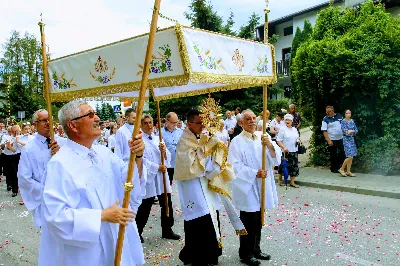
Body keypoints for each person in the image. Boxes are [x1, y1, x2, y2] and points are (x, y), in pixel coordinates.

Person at [38, 100, 146, 266]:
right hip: (87, 251)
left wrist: (137, 157)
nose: (97, 118)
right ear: (73, 125)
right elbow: (55, 217)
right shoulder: (59, 164)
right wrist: (101, 216)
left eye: (95, 113)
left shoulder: (103, 152)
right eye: (90, 115)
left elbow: (128, 181)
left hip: (115, 235)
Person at [228, 110, 280, 266]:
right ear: (241, 123)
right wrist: (254, 173)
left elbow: (275, 159)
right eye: (247, 119)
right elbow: (234, 166)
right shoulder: (237, 141)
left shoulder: (263, 136)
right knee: (248, 221)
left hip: (262, 185)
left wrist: (270, 145)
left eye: (253, 118)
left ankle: (256, 249)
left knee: (258, 220)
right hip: (248, 187)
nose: (251, 121)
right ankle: (245, 253)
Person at [175, 110, 223, 266]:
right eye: (199, 123)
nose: (203, 125)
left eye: (204, 122)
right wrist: (205, 148)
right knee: (199, 222)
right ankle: (198, 258)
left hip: (206, 186)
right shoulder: (184, 141)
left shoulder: (204, 136)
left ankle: (211, 255)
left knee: (211, 218)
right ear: (189, 124)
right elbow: (190, 166)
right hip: (193, 189)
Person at [136, 114, 181, 243]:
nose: (149, 125)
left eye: (150, 122)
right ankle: (137, 231)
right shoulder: (140, 140)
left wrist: (164, 151)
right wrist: (156, 167)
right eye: (145, 123)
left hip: (161, 176)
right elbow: (141, 160)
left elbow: (168, 157)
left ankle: (167, 229)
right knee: (146, 204)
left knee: (167, 203)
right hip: (150, 176)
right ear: (141, 125)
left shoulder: (157, 139)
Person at [18, 109, 64, 225]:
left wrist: (62, 155)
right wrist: (47, 191)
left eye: (50, 120)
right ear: (35, 124)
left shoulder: (64, 143)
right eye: (44, 120)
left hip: (66, 198)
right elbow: (25, 178)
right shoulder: (28, 150)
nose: (48, 123)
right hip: (44, 201)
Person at [276, 114, 300, 188]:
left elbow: (297, 138)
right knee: (283, 166)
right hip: (285, 151)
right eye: (286, 120)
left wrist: (298, 141)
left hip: (294, 150)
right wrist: (283, 147)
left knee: (294, 166)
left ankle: (292, 182)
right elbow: (278, 140)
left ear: (292, 121)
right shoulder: (282, 129)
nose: (287, 121)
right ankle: (280, 181)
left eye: (289, 120)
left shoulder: (294, 129)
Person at [1, 125, 23, 197]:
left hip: (18, 156)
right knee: (9, 172)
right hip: (9, 156)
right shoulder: (7, 137)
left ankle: (15, 189)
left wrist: (17, 141)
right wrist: (7, 146)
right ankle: (11, 186)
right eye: (13, 131)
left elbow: (17, 149)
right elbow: (2, 146)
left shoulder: (21, 137)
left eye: (16, 131)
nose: (14, 132)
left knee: (16, 173)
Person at [321, 106, 345, 173]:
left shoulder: (339, 116)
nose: (327, 113)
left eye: (329, 111)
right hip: (332, 139)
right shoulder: (325, 119)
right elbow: (324, 131)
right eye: (327, 112)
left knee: (342, 153)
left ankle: (342, 167)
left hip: (341, 138)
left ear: (333, 111)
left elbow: (344, 124)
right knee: (333, 154)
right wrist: (328, 140)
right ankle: (334, 168)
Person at [162, 112, 182, 186]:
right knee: (167, 185)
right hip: (168, 164)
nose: (175, 124)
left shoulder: (180, 132)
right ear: (167, 121)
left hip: (179, 163)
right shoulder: (160, 133)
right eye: (173, 122)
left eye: (176, 122)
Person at [339, 109, 359, 177]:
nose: (348, 114)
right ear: (344, 114)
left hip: (352, 139)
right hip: (346, 139)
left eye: (349, 113)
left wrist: (351, 131)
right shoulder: (343, 122)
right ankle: (341, 169)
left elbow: (356, 130)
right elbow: (345, 132)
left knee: (352, 156)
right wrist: (350, 131)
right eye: (347, 113)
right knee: (349, 155)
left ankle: (348, 171)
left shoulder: (352, 121)